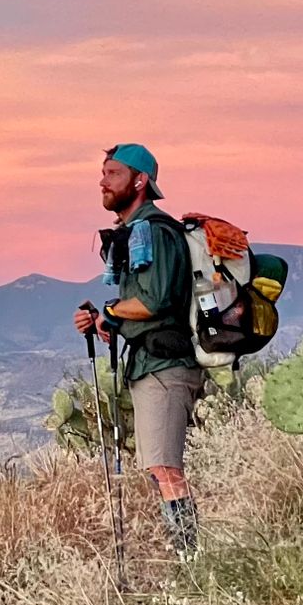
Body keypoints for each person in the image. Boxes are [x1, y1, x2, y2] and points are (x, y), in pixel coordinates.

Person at [72, 143, 204, 555]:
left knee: (166, 468)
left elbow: (155, 301)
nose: (103, 181)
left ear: (140, 180)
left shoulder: (155, 232)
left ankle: (191, 558)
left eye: (113, 173)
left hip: (166, 367)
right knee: (160, 468)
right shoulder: (137, 232)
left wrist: (110, 312)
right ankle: (187, 553)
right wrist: (106, 322)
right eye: (103, 173)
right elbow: (141, 310)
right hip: (151, 364)